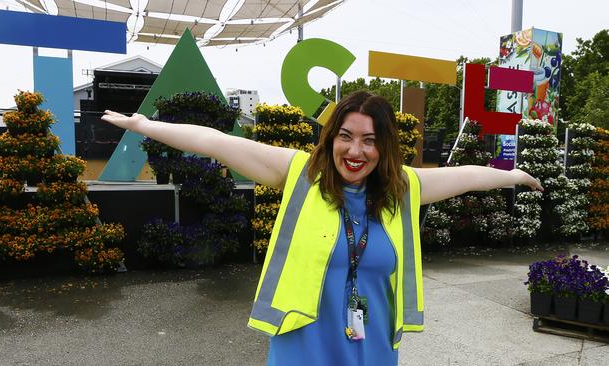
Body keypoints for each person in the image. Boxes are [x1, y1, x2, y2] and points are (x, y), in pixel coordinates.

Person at [101, 91, 542, 365]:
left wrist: (514, 176)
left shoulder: (401, 189)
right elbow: (218, 142)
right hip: (304, 347)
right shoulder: (299, 173)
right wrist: (144, 126)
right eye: (345, 136)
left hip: (370, 348)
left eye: (369, 140)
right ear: (331, 138)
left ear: (383, 147)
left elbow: (466, 176)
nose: (355, 150)